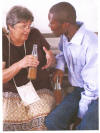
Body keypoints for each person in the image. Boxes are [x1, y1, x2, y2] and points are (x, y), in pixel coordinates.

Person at [45, 2, 98, 130]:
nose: (49, 26)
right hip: (79, 90)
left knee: (85, 128)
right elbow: (63, 53)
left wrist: (79, 116)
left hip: (95, 94)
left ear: (65, 24)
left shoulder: (92, 44)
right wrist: (60, 67)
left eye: (52, 23)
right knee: (52, 122)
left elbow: (93, 88)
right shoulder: (65, 36)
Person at [2, 6, 56, 131]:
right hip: (10, 92)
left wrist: (51, 59)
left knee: (43, 114)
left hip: (39, 90)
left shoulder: (35, 34)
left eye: (29, 25)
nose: (28, 30)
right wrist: (20, 64)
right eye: (23, 26)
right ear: (11, 26)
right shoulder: (2, 41)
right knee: (5, 116)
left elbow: (50, 58)